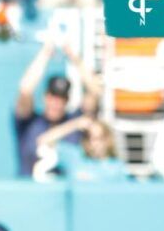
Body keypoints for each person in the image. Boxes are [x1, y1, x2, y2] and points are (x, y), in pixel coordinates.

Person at [14, 40, 100, 176]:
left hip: (67, 194)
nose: (56, 103)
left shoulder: (75, 118)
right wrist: (45, 54)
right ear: (45, 97)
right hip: (30, 191)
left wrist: (74, 57)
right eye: (53, 97)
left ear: (67, 101)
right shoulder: (30, 122)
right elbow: (25, 90)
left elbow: (94, 91)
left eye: (61, 99)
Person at [34, 117, 128, 182]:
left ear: (108, 139)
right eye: (90, 137)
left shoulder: (117, 167)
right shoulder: (75, 156)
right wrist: (75, 124)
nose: (94, 143)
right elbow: (43, 141)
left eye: (100, 137)